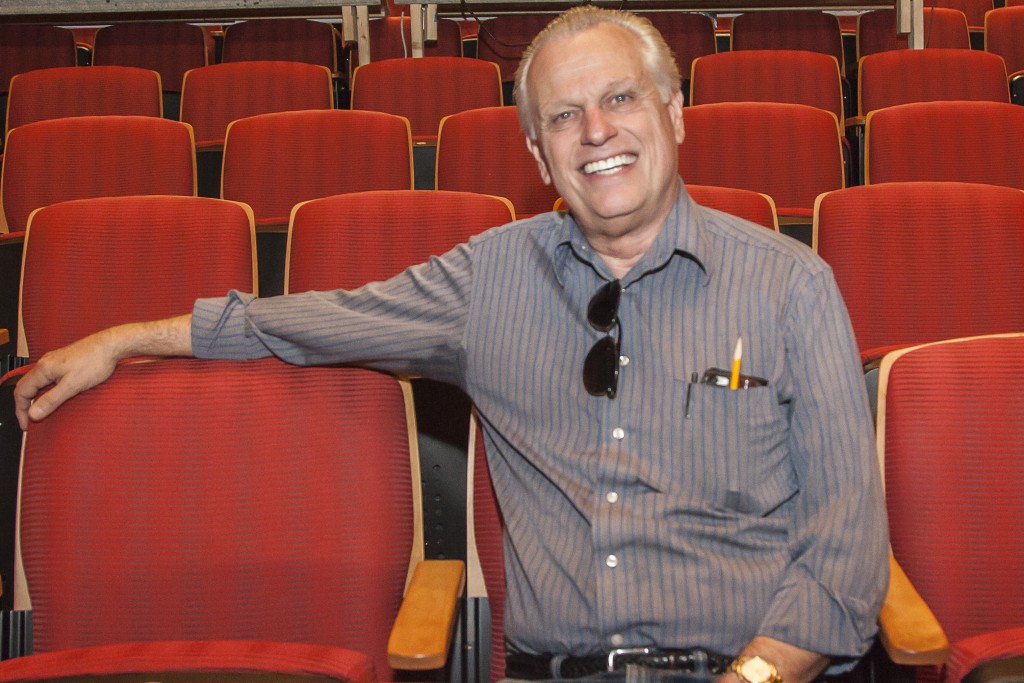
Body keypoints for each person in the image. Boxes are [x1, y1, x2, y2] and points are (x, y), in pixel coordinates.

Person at [14, 7, 888, 683]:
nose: (596, 132)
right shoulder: (488, 282)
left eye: (621, 98)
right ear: (539, 157)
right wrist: (133, 337)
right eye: (563, 116)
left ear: (673, 114)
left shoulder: (790, 285)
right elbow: (316, 319)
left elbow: (845, 555)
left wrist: (755, 673)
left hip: (750, 663)